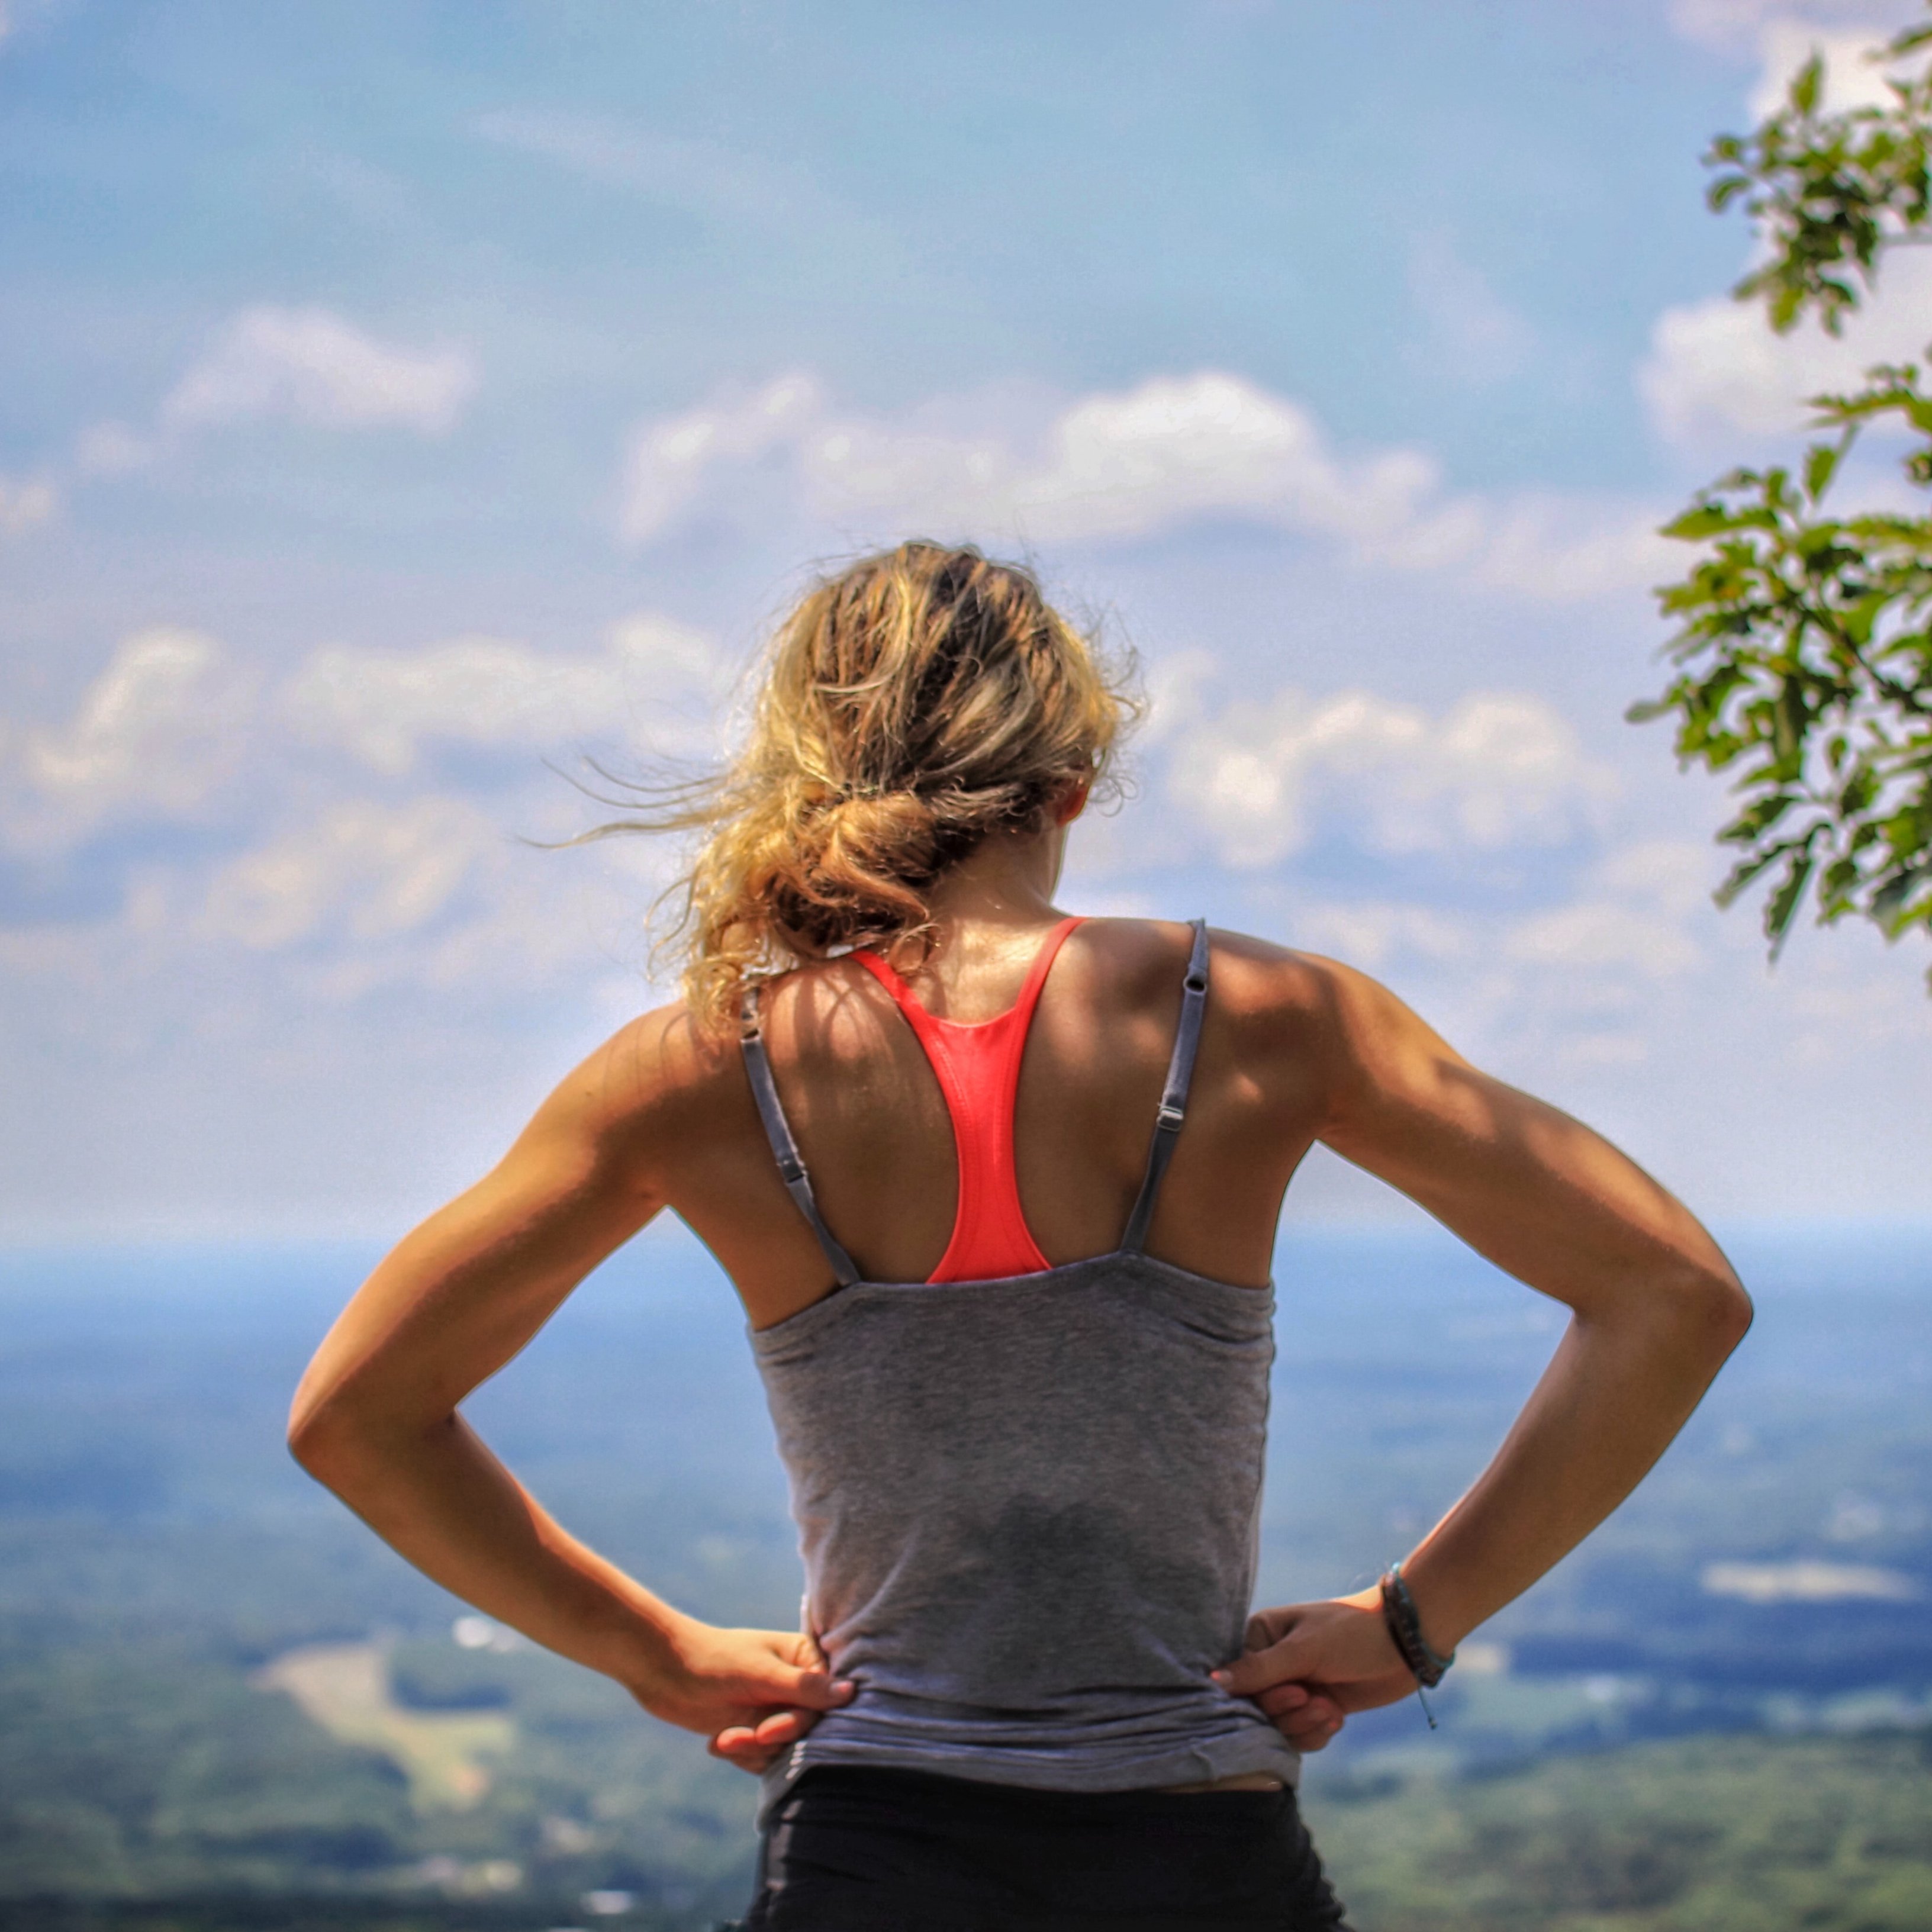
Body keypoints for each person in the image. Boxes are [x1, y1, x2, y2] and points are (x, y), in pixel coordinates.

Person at [289, 541, 1753, 1931]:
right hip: (1199, 1851)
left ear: (816, 773)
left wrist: (652, 1655)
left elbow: (358, 1414)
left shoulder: (698, 1070)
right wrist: (1414, 1623)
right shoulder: (1255, 1021)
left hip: (868, 1851)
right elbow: (1671, 1294)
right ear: (1073, 780)